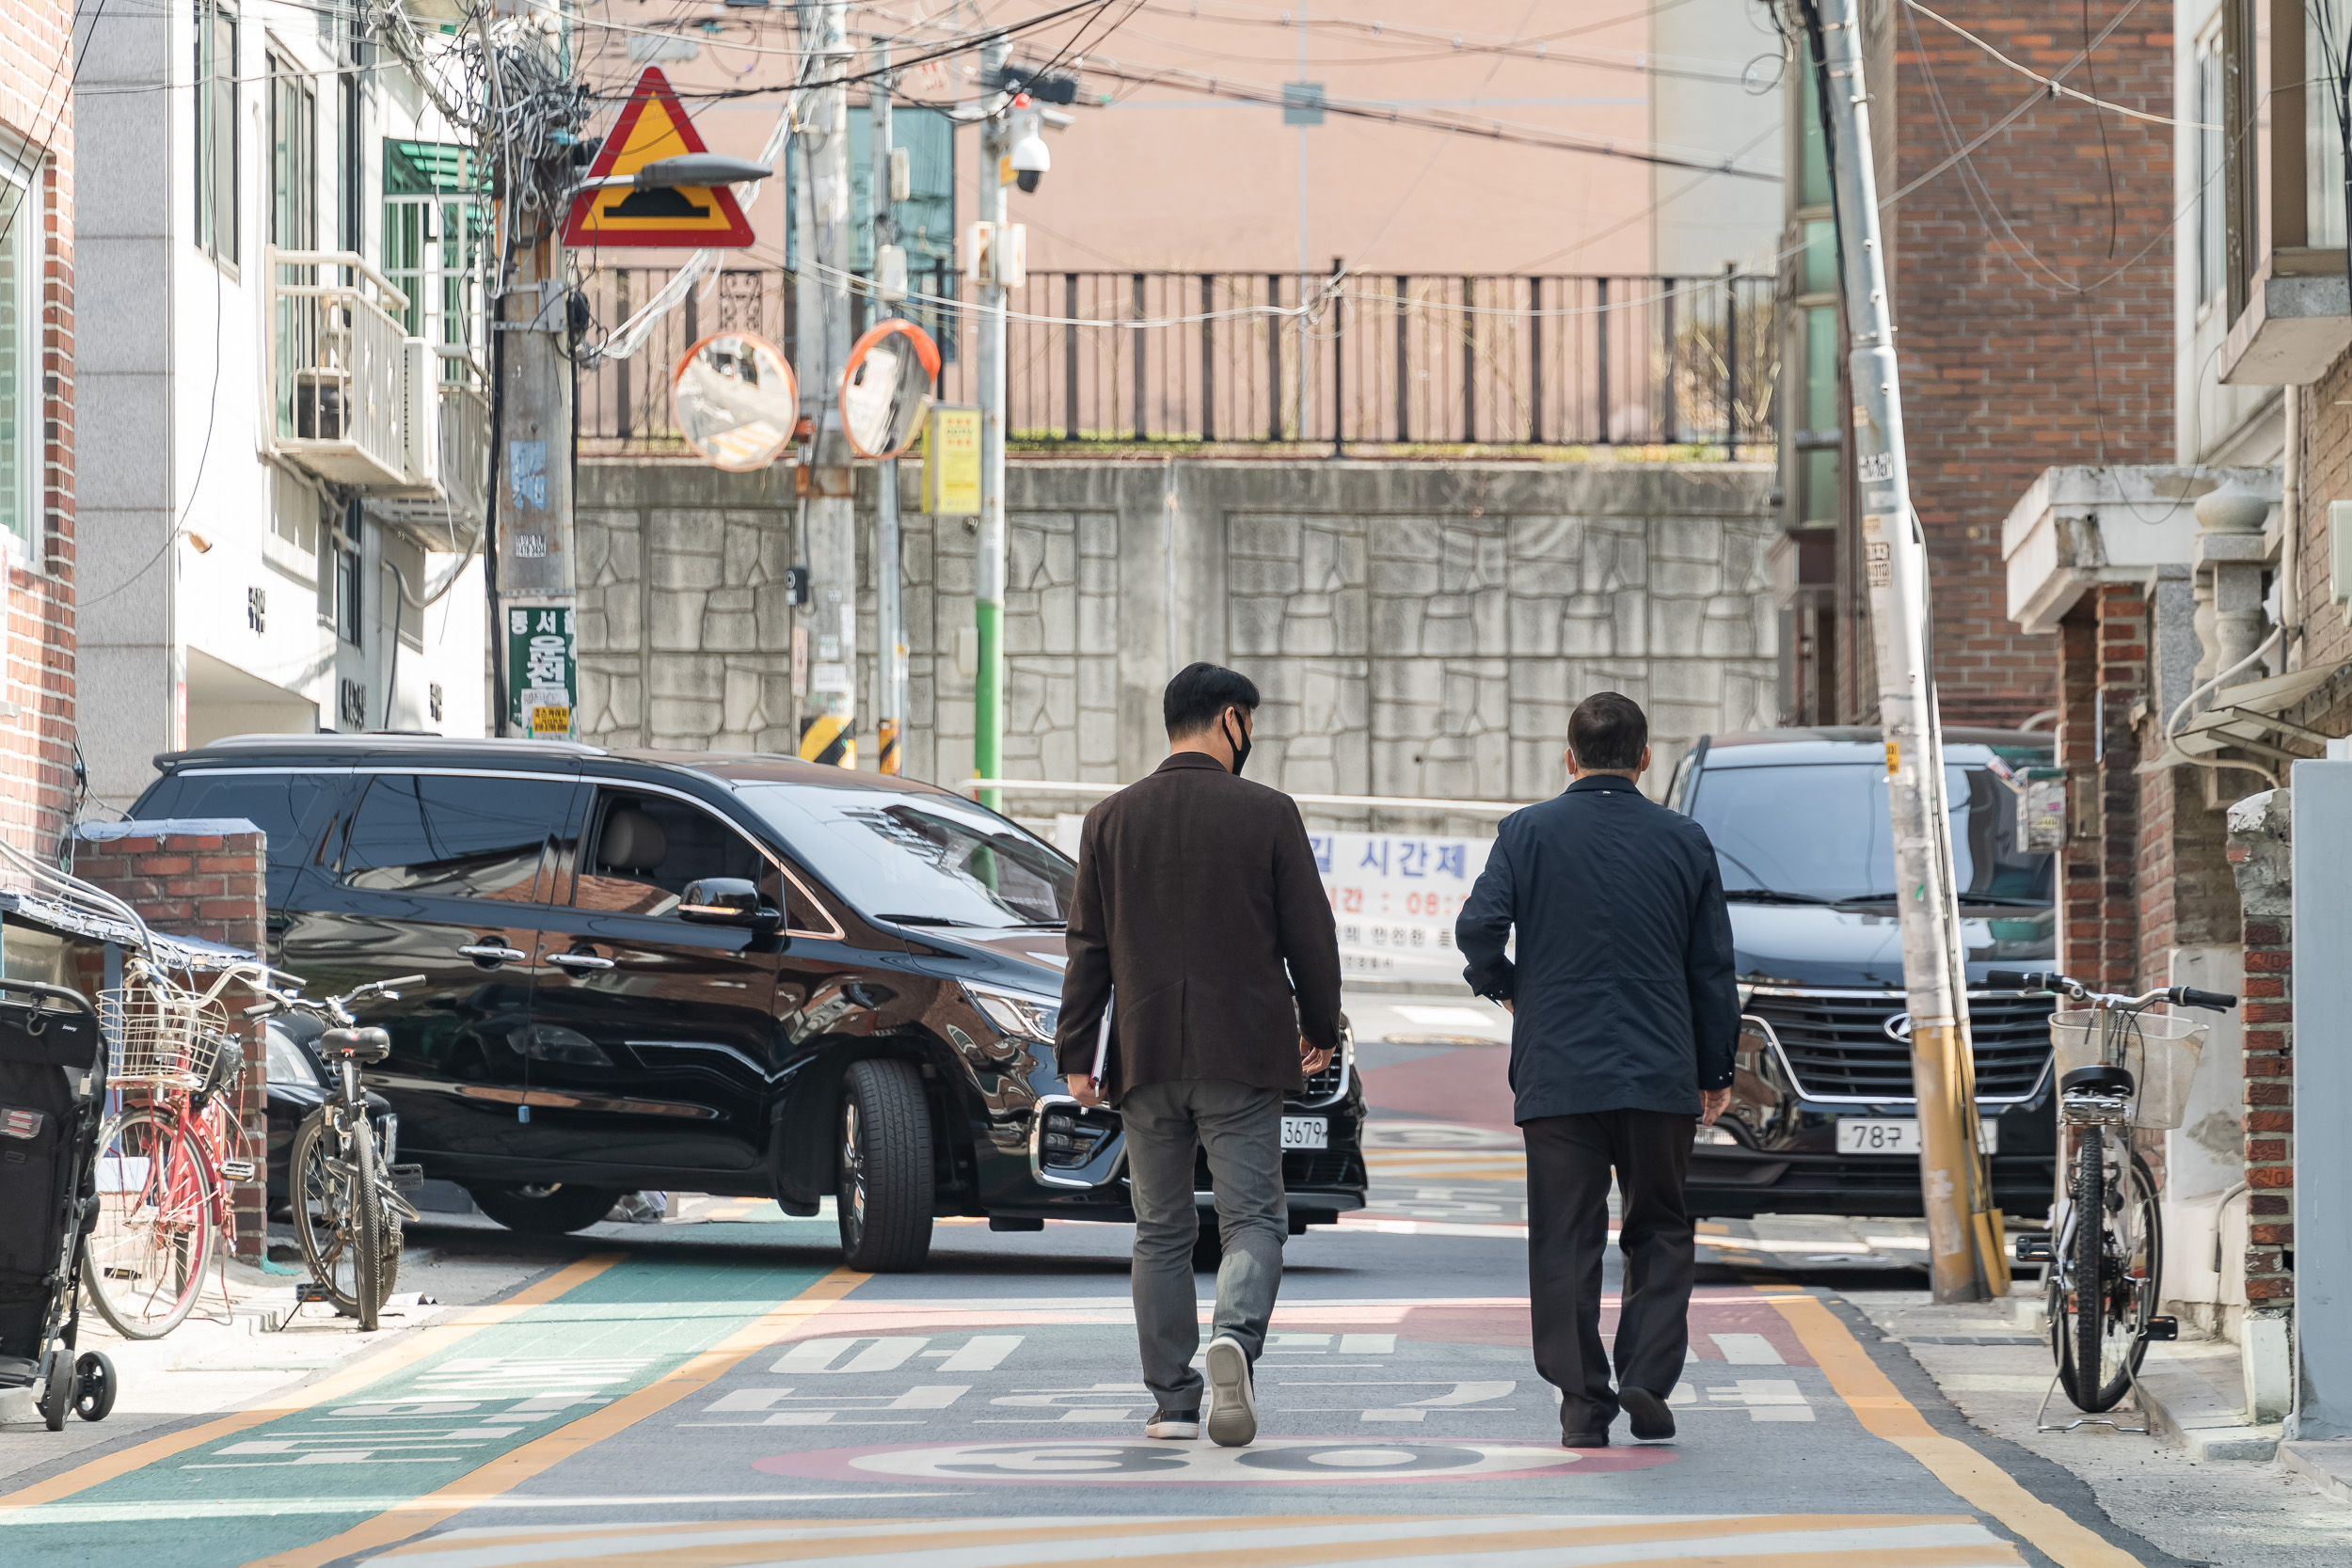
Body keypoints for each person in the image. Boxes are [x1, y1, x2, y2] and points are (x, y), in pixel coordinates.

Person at [1055, 662, 1343, 1448]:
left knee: (1161, 1228)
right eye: (1251, 721)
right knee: (1254, 1217)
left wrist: (1078, 1050)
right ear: (1230, 720)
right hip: (1243, 1053)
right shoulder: (1269, 814)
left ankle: (1174, 1399)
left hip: (1144, 1053)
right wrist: (1321, 1024)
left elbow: (1087, 948)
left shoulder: (1109, 819)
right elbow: (1310, 935)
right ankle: (1235, 1342)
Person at [1454, 691, 1739, 1449]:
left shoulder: (1527, 831)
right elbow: (1713, 967)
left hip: (1558, 1075)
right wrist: (1716, 1069)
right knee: (1661, 1226)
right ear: (1645, 758)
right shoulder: (1685, 840)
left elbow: (1477, 929)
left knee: (1564, 1240)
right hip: (1660, 1071)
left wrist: (1511, 987)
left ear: (1568, 756)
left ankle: (1584, 1405)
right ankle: (1646, 1372)